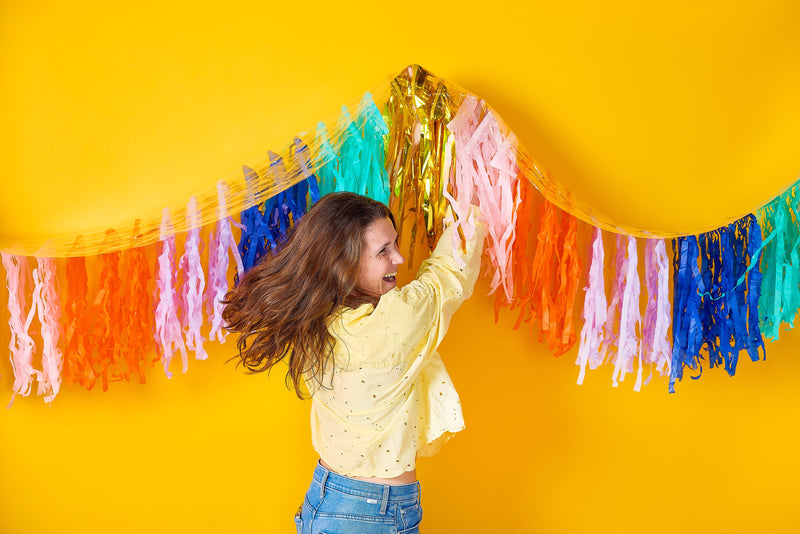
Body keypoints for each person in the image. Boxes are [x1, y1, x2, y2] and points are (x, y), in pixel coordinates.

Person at [223, 192, 485, 534]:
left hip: (333, 499)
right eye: (383, 251)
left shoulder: (317, 314)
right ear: (342, 263)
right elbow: (447, 277)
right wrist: (473, 201)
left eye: (395, 244)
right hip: (370, 514)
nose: (400, 258)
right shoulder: (388, 323)